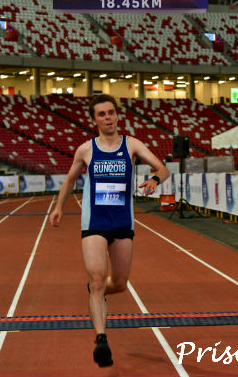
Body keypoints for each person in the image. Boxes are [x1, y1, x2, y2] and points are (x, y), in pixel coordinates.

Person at [50, 94, 170, 367]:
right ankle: (101, 339)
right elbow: (70, 180)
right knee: (96, 278)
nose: (108, 117)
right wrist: (58, 207)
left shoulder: (132, 145)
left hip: (122, 222)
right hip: (95, 222)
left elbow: (163, 169)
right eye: (102, 114)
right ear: (94, 121)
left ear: (117, 115)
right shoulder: (86, 150)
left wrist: (154, 180)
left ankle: (98, 292)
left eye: (111, 112)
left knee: (119, 283)